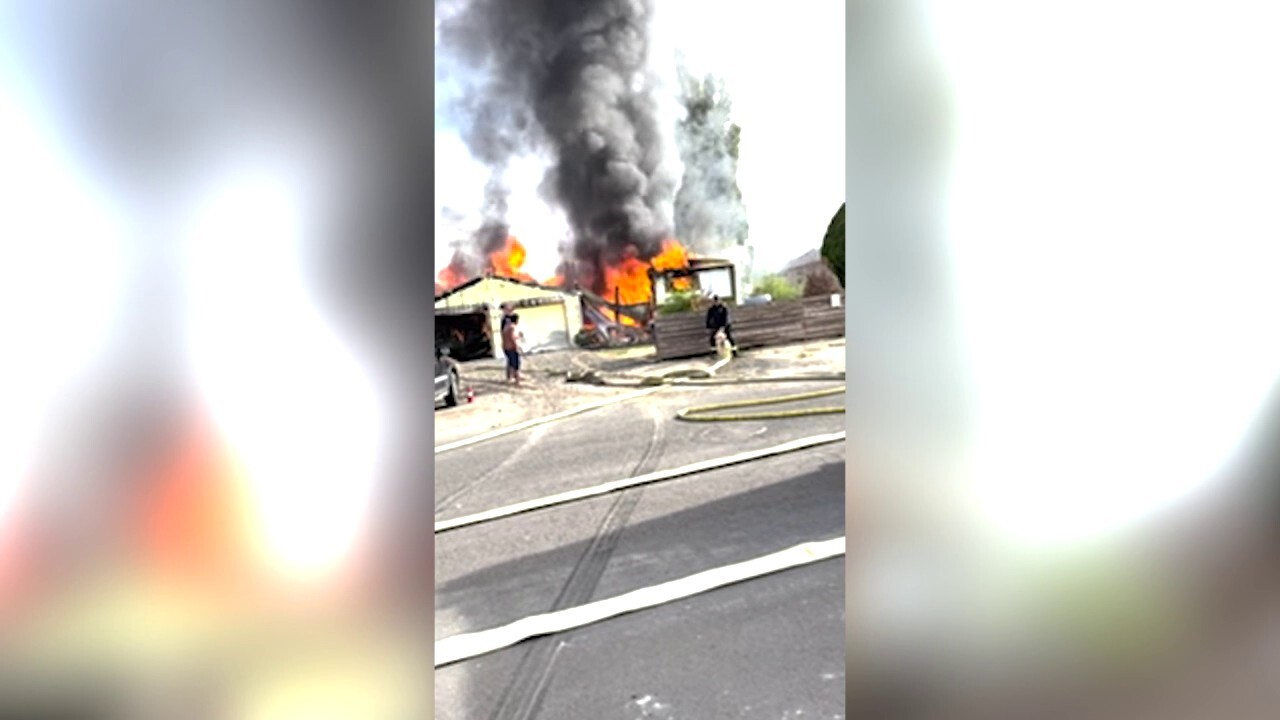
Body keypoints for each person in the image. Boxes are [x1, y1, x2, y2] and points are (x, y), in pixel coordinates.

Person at [502, 312, 524, 385]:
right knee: (516, 363)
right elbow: (512, 338)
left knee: (510, 362)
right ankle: (517, 379)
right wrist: (517, 346)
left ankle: (510, 377)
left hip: (506, 347)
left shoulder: (506, 327)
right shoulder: (512, 327)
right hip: (511, 347)